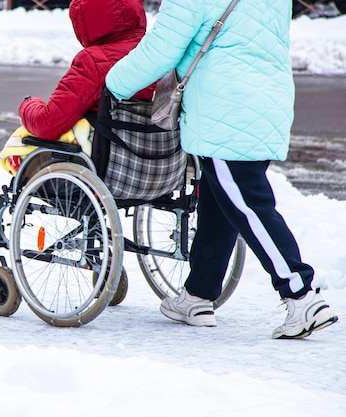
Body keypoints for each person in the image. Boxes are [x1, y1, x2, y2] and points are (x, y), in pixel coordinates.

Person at [105, 0, 338, 339]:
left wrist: (114, 84)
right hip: (266, 104)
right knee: (220, 203)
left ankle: (300, 296)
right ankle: (198, 295)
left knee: (251, 207)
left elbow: (161, 50)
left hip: (224, 110)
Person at [17, 0, 156, 141]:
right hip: (165, 156)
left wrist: (28, 104)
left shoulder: (94, 62)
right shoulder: (160, 53)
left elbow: (47, 124)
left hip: (112, 157)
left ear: (84, 20)